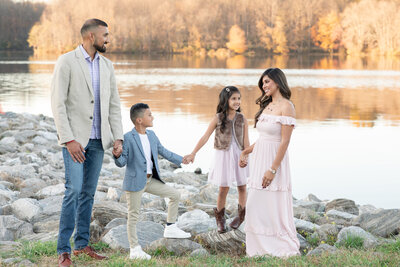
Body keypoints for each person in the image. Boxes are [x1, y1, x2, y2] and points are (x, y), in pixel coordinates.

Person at [51, 19, 124, 267]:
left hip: (98, 141)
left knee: (88, 194)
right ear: (91, 37)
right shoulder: (66, 62)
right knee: (72, 191)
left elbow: (113, 105)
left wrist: (118, 138)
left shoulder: (107, 66)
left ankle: (81, 245)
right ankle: (64, 250)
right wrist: (68, 139)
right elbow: (58, 104)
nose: (108, 39)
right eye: (105, 35)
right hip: (75, 141)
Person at [114, 103, 191, 260]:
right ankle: (134, 250)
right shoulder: (128, 137)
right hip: (135, 182)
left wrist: (182, 158)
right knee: (133, 215)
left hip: (150, 180)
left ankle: (170, 227)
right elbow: (122, 162)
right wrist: (117, 155)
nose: (153, 117)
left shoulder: (152, 135)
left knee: (175, 195)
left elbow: (163, 151)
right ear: (139, 120)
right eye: (149, 115)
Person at [240, 68, 300, 257]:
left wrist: (272, 170)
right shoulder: (267, 105)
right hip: (259, 159)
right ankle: (258, 249)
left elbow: (284, 141)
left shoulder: (287, 106)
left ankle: (278, 247)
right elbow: (264, 137)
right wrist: (246, 151)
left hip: (274, 162)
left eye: (267, 82)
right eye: (263, 83)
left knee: (271, 202)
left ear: (277, 81)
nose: (264, 86)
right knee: (256, 204)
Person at [185, 86, 249, 233]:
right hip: (223, 155)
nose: (237, 101)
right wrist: (193, 152)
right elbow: (205, 136)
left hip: (239, 153)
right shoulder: (218, 118)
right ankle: (220, 219)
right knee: (223, 188)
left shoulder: (242, 118)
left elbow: (246, 141)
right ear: (225, 100)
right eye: (233, 98)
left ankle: (241, 216)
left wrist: (245, 155)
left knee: (242, 186)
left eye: (239, 98)